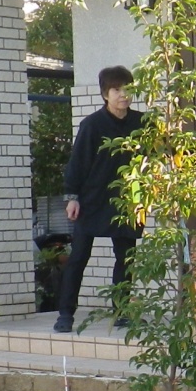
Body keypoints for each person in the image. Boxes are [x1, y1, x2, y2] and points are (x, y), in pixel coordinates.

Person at [54, 66, 144, 333]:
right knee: (79, 256)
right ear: (105, 93)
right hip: (92, 199)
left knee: (126, 258)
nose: (123, 95)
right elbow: (77, 164)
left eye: (127, 89)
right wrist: (73, 197)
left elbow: (162, 150)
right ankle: (66, 313)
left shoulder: (142, 123)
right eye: (117, 89)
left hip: (128, 200)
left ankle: (122, 310)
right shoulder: (92, 124)